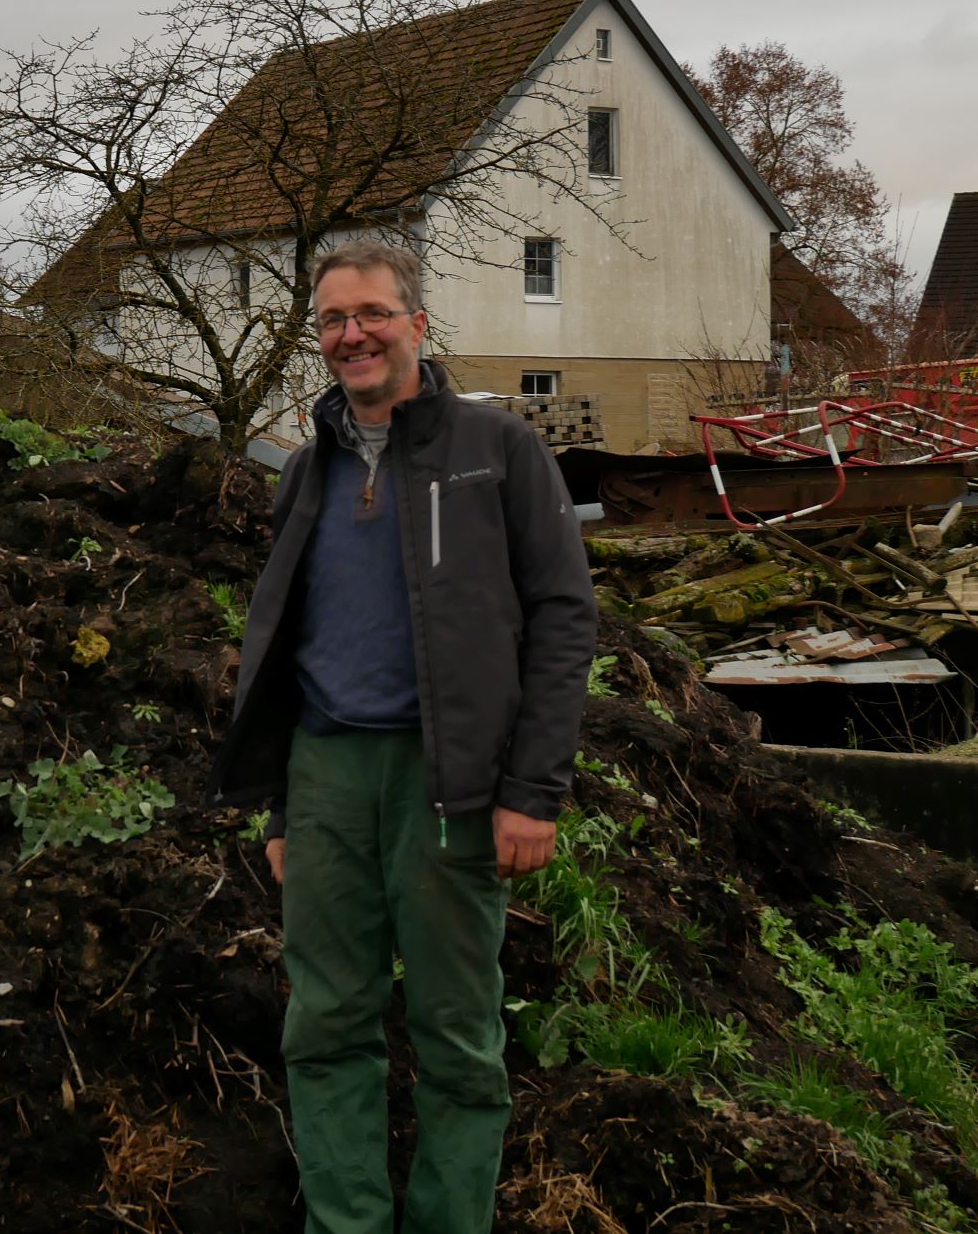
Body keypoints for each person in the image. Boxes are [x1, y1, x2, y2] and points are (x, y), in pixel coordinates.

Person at [212, 241, 597, 1234]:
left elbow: (562, 615)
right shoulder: (306, 470)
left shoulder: (496, 450)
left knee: (457, 1036)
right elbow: (289, 641)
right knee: (326, 1026)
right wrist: (285, 806)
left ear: (417, 323)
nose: (353, 333)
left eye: (373, 312)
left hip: (451, 783)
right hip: (328, 773)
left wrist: (533, 788)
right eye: (334, 319)